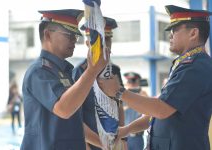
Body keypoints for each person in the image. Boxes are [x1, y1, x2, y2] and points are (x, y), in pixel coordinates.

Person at [98, 5, 212, 150]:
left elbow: (161, 109)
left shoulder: (195, 66)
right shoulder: (184, 65)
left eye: (175, 30)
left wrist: (119, 91)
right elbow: (157, 111)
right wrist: (127, 129)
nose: (170, 35)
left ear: (193, 33)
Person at [21, 9, 108, 150]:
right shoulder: (39, 72)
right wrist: (92, 71)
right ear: (48, 35)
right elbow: (64, 109)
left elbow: (75, 122)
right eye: (69, 35)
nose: (74, 40)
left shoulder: (64, 72)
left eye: (75, 36)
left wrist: (106, 146)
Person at [73, 16, 127, 150]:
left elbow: (119, 105)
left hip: (113, 141)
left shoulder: (114, 70)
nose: (105, 45)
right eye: (99, 41)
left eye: (108, 39)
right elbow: (76, 115)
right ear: (87, 44)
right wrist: (85, 145)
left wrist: (123, 138)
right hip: (91, 142)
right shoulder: (79, 72)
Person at [123, 72, 148, 150]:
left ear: (138, 82)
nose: (132, 84)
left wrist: (142, 97)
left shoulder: (143, 95)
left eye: (133, 81)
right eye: (129, 82)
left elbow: (148, 113)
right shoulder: (123, 95)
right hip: (124, 136)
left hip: (137, 136)